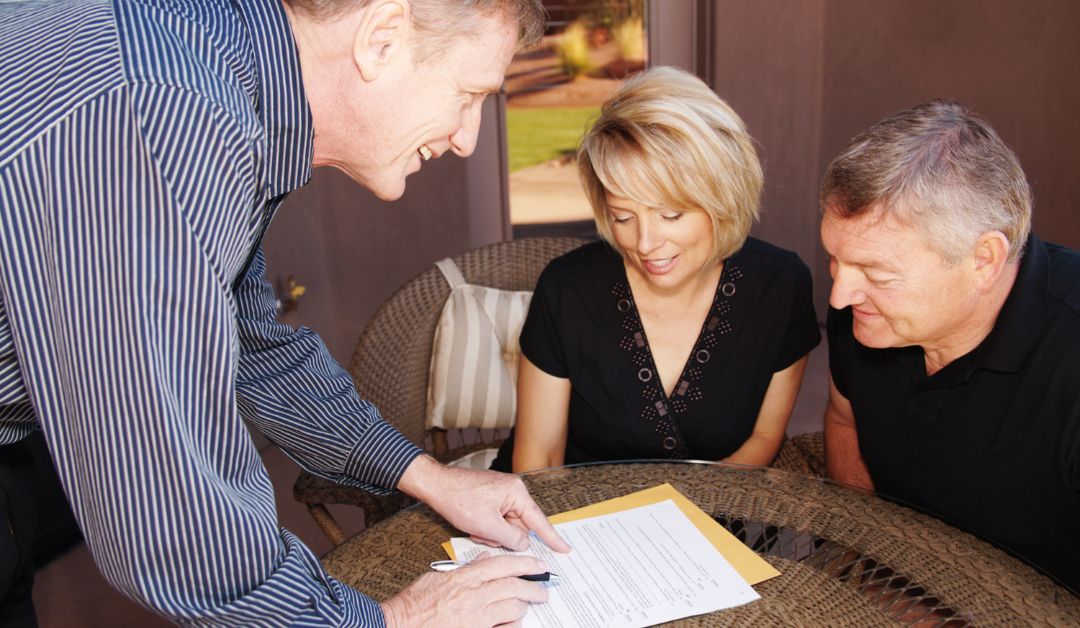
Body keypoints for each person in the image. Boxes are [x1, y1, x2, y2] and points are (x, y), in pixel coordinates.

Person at [0, 0, 571, 626]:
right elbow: (170, 506)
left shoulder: (212, 78)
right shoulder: (165, 109)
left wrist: (429, 477)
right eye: (469, 95)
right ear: (382, 37)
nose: (468, 138)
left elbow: (254, 346)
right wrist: (399, 620)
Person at [490, 66, 821, 473]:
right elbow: (538, 462)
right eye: (623, 217)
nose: (644, 243)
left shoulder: (780, 288)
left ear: (724, 198)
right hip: (564, 506)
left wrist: (686, 509)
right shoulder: (566, 290)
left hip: (710, 504)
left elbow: (764, 438)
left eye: (670, 215)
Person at [820, 100, 1080, 592]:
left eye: (878, 274)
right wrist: (870, 553)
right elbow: (843, 418)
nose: (839, 296)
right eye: (835, 259)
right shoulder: (861, 309)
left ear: (984, 259)